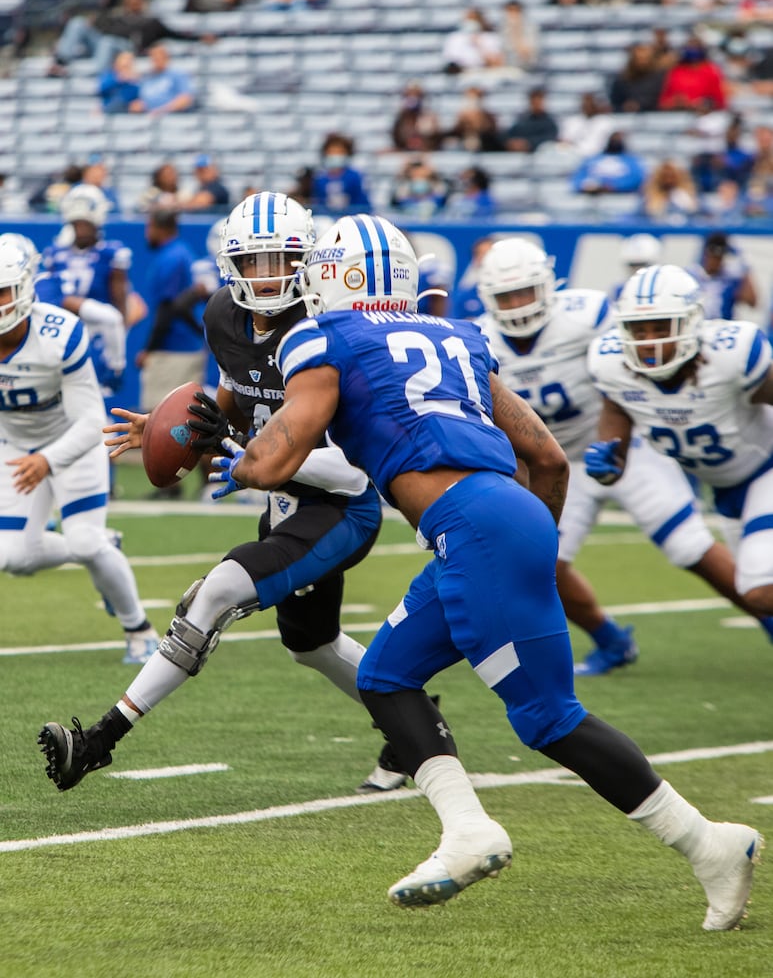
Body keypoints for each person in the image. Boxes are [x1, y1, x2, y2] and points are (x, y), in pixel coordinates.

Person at [146, 213, 758, 925]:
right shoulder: (456, 335)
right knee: (383, 675)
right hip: (507, 517)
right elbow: (548, 459)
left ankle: (707, 847)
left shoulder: (321, 336)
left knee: (547, 719)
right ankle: (467, 829)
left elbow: (273, 462)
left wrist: (231, 450)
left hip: (471, 529)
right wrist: (528, 544)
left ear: (331, 274)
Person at [37, 192, 406, 797]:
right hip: (284, 500)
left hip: (341, 505)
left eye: (280, 258)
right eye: (253, 261)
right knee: (312, 644)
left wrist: (251, 457)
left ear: (308, 259)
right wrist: (168, 425)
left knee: (212, 595)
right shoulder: (223, 317)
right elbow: (234, 391)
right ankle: (412, 727)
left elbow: (353, 473)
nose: (267, 276)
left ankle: (98, 740)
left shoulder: (327, 331)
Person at [476, 236, 773, 676]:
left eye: (525, 291)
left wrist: (616, 448)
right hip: (556, 463)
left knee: (692, 547)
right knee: (537, 560)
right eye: (505, 295)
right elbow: (617, 394)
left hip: (638, 450)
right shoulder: (481, 339)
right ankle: (611, 640)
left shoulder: (591, 317)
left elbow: (638, 373)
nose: (517, 304)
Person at [586, 263, 773, 630]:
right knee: (755, 590)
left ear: (691, 324)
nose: (650, 340)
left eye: (661, 327)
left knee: (757, 589)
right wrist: (606, 463)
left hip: (766, 469)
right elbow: (614, 437)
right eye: (639, 329)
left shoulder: (732, 354)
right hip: (726, 488)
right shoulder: (611, 365)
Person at [0, 236, 159, 665]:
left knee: (86, 543)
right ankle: (105, 543)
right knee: (12, 556)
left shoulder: (57, 332)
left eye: (2, 291)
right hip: (16, 445)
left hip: (73, 440)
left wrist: (48, 459)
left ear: (24, 289)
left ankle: (139, 630)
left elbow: (92, 422)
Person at [41, 184, 131, 401]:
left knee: (96, 391)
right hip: (63, 327)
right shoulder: (55, 253)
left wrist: (119, 336)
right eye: (77, 224)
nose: (81, 229)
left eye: (85, 224)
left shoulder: (111, 252)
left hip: (97, 331)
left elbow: (119, 301)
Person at [49, 0, 211, 77]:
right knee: (78, 23)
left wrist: (199, 39)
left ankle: (98, 77)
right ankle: (61, 62)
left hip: (126, 50)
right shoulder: (113, 17)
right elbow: (93, 28)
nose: (133, 3)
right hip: (102, 48)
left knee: (108, 41)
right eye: (130, 0)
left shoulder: (151, 22)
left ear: (143, 1)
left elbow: (175, 34)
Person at [136, 210, 207, 417]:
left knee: (158, 418)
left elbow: (169, 308)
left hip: (174, 349)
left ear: (160, 228)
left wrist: (149, 349)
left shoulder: (171, 258)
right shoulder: (181, 252)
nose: (147, 233)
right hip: (186, 345)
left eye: (149, 227)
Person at [687, 233, 758, 321]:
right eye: (713, 256)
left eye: (720, 257)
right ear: (706, 253)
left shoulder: (730, 278)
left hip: (721, 330)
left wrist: (745, 266)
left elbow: (752, 302)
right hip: (695, 329)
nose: (716, 261)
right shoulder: (690, 276)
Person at [657, 37, 727, 111]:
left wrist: (704, 103)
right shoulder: (676, 71)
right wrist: (675, 101)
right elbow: (663, 102)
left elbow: (720, 102)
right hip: (677, 114)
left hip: (704, 115)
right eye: (690, 47)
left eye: (696, 47)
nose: (693, 50)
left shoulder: (711, 71)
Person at [310, 133, 371, 216]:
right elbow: (318, 204)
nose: (335, 155)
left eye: (339, 152)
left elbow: (362, 204)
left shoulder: (355, 176)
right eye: (331, 152)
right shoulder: (320, 179)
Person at [128, 44, 196, 116]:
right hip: (148, 116)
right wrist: (139, 105)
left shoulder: (177, 74)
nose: (155, 60)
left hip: (171, 117)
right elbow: (144, 99)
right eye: (153, 58)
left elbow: (185, 99)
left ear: (166, 58)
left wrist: (162, 111)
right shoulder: (147, 77)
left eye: (158, 57)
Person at [571, 131, 646, 195]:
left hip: (619, 196)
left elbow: (636, 179)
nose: (615, 142)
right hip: (590, 194)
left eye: (618, 140)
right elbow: (578, 179)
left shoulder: (632, 160)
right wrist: (586, 187)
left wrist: (614, 186)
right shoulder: (592, 159)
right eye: (613, 139)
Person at [442, 8, 505, 77]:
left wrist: (479, 45)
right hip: (462, 73)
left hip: (485, 72)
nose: (471, 22)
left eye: (474, 18)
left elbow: (497, 63)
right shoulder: (454, 38)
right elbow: (452, 63)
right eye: (468, 19)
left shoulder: (491, 37)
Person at [609, 42, 666, 113]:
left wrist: (641, 105)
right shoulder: (622, 79)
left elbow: (661, 101)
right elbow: (615, 102)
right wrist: (624, 106)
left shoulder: (659, 78)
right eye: (639, 58)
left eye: (645, 59)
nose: (642, 62)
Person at [443, 86, 503, 153]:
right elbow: (456, 132)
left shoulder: (489, 117)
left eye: (476, 99)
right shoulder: (461, 116)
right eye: (470, 99)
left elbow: (492, 134)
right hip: (463, 146)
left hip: (486, 147)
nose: (473, 102)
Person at [391, 82, 443, 153]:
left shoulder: (430, 118)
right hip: (405, 153)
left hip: (426, 153)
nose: (413, 98)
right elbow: (397, 139)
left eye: (417, 95)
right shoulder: (400, 118)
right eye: (409, 95)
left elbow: (436, 140)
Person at [504, 87, 559, 154]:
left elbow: (550, 139)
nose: (536, 105)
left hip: (540, 155)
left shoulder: (549, 122)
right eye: (534, 102)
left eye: (539, 102)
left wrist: (528, 143)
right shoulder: (522, 120)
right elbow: (510, 134)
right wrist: (512, 142)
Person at [97, 49, 140, 115]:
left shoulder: (135, 79)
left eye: (129, 59)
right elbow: (102, 89)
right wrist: (119, 79)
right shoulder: (110, 74)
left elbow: (134, 96)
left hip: (127, 109)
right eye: (124, 59)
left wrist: (133, 81)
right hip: (108, 108)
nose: (127, 62)